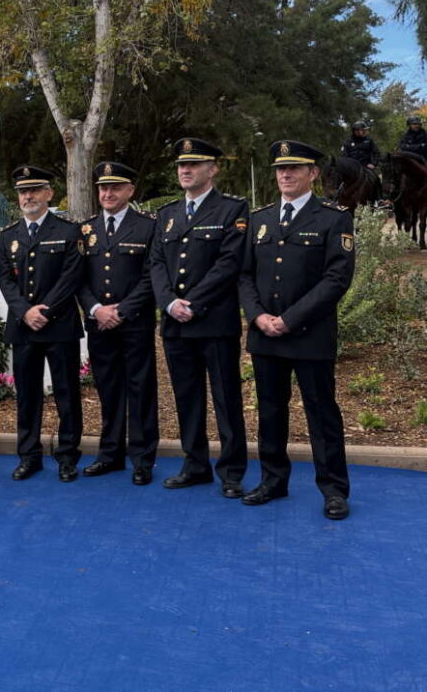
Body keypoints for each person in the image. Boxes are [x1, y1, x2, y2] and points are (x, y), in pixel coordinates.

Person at [239, 140, 355, 520]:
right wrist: (258, 316)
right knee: (270, 411)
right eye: (280, 169)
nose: (285, 175)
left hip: (309, 334)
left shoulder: (333, 218)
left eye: (295, 168)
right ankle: (273, 480)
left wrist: (289, 319)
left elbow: (336, 279)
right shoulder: (260, 218)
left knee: (321, 412)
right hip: (265, 334)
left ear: (313, 174)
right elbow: (244, 276)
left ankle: (334, 489)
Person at [150, 138, 249, 497]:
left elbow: (228, 264)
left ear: (213, 169)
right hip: (176, 323)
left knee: (226, 398)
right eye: (181, 165)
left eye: (194, 164)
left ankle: (232, 472)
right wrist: (169, 304)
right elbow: (156, 264)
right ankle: (195, 464)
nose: (185, 170)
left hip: (213, 321)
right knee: (186, 397)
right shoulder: (167, 214)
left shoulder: (232, 210)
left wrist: (191, 302)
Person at [0, 166, 84, 483]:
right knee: (27, 395)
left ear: (49, 194)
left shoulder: (68, 230)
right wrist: (25, 311)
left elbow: (72, 276)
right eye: (22, 192)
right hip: (23, 327)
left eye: (34, 190)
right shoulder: (9, 236)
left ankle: (67, 456)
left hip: (59, 325)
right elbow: (4, 280)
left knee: (66, 394)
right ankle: (29, 455)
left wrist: (44, 311)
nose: (28, 197)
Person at [77, 162, 159, 486]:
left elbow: (152, 276)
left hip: (133, 323)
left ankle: (142, 459)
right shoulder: (85, 229)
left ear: (130, 191)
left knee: (140, 391)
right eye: (102, 188)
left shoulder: (147, 227)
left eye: (115, 188)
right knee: (108, 391)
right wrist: (96, 309)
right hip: (99, 325)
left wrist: (121, 310)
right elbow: (78, 279)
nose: (107, 194)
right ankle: (110, 454)